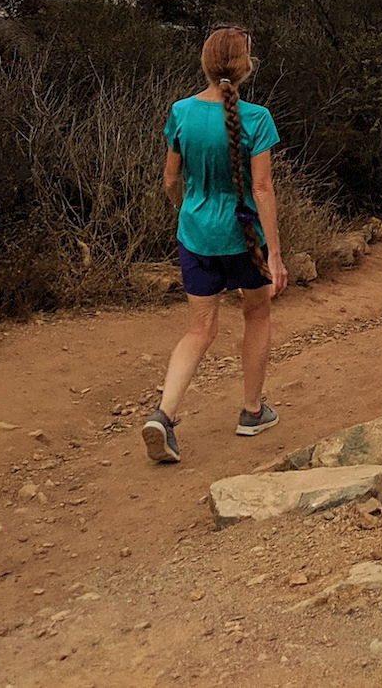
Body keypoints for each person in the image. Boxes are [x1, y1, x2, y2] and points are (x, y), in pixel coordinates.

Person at [141, 24, 288, 464]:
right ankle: (251, 411)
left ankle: (164, 415)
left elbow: (171, 179)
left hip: (196, 233)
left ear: (205, 65)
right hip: (244, 237)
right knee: (256, 314)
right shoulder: (257, 118)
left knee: (199, 329)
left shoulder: (181, 112)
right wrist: (275, 254)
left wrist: (185, 210)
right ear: (246, 69)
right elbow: (262, 189)